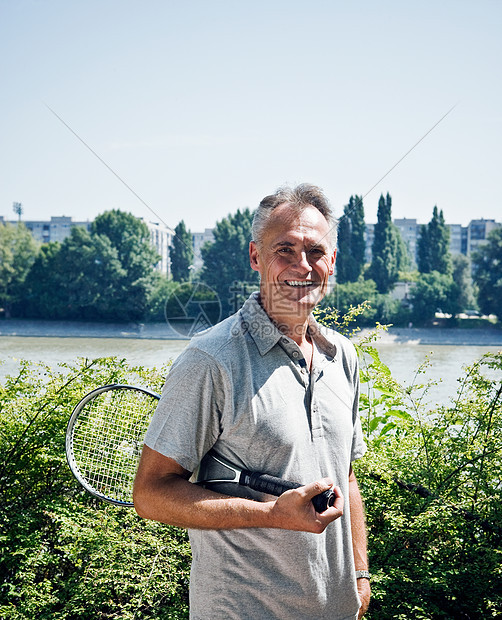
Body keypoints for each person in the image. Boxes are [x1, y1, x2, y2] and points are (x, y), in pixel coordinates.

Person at [133, 183, 371, 619]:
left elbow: (347, 477)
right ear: (256, 257)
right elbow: (150, 494)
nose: (302, 265)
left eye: (315, 251)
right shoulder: (211, 358)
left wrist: (358, 575)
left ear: (332, 262)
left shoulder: (344, 357)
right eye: (285, 250)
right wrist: (272, 515)